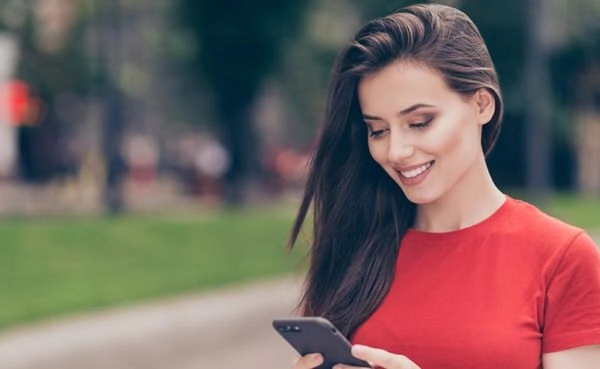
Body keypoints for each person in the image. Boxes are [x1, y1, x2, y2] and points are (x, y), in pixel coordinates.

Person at [287, 3, 600, 369]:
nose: (397, 151)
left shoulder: (563, 258)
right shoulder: (353, 246)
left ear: (481, 104)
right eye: (378, 130)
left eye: (419, 122)